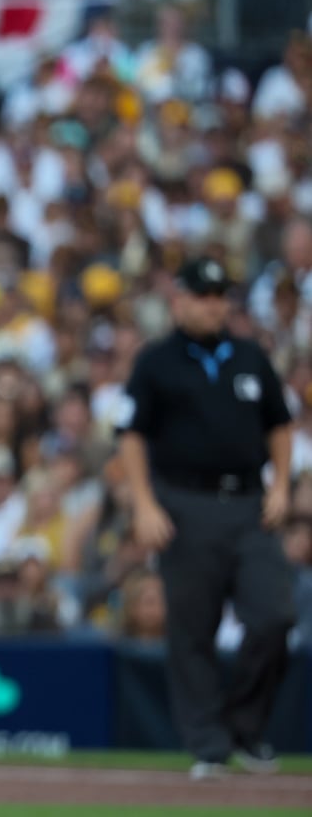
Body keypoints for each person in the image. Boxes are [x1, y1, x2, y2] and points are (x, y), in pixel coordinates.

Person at [117, 256, 296, 780]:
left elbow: (279, 426)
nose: (214, 304)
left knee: (274, 616)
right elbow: (130, 434)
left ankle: (245, 728)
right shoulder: (156, 361)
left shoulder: (249, 356)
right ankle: (208, 746)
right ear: (179, 300)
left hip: (248, 503)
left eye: (221, 295)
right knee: (193, 629)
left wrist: (282, 484)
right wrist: (144, 503)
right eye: (203, 295)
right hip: (183, 505)